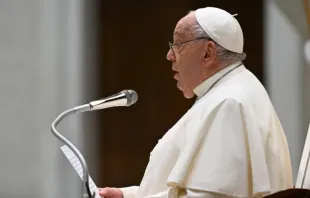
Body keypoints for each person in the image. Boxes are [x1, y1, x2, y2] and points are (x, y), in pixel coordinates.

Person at [99, 7, 293, 198]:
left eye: (178, 45)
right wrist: (127, 195)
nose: (169, 56)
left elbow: (210, 196)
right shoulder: (227, 91)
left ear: (208, 53)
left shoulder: (230, 103)